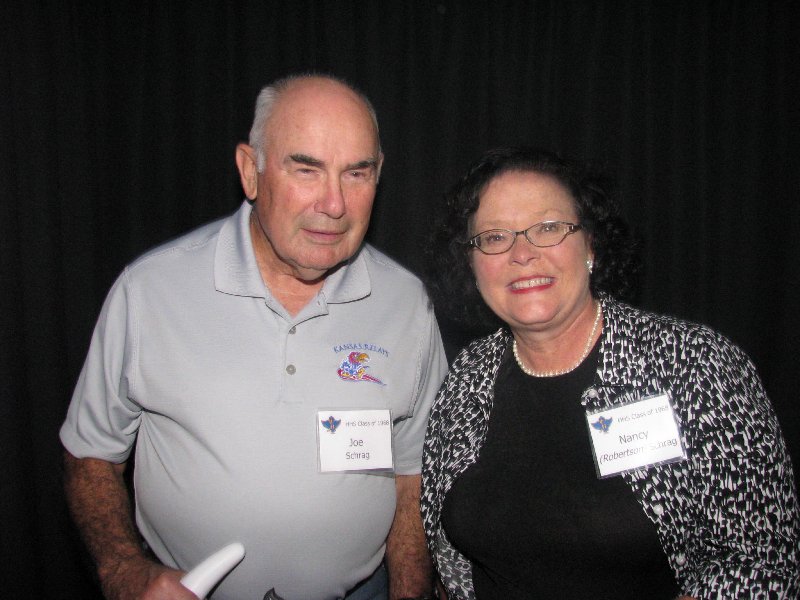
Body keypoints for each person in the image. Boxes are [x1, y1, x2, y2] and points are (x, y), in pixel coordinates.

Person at [60, 74, 447, 600]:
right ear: (250, 171)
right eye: (306, 169)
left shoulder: (406, 306)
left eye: (356, 173)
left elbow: (414, 475)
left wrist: (409, 594)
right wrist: (123, 570)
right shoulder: (150, 292)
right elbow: (91, 453)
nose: (334, 203)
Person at [420, 146, 800, 598]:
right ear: (471, 263)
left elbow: (761, 562)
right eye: (495, 236)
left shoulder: (694, 364)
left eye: (548, 228)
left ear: (591, 245)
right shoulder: (467, 378)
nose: (522, 253)